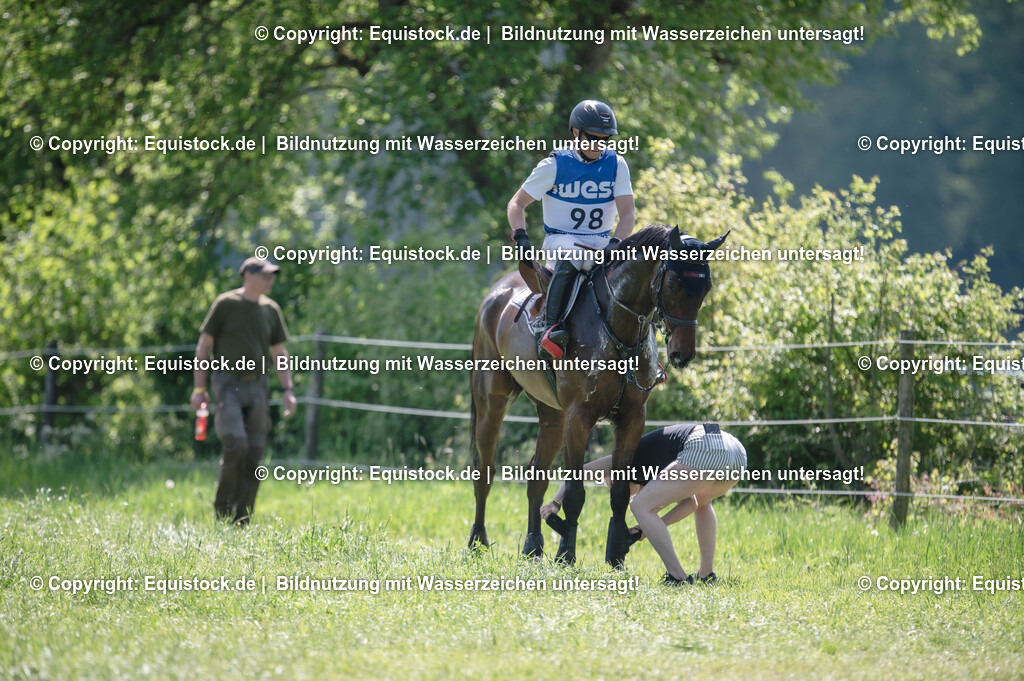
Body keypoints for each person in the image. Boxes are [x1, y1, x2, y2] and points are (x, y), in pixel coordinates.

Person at [507, 99, 636, 358]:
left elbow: (628, 214)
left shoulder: (617, 164)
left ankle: (645, 347)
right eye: (592, 138)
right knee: (575, 256)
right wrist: (520, 239)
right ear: (576, 133)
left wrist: (616, 243)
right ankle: (549, 323)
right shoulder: (553, 165)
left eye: (604, 139)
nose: (598, 145)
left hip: (601, 242)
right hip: (562, 242)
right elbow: (516, 204)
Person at [541, 423, 747, 585]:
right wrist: (643, 530)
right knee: (702, 502)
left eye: (612, 484)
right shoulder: (652, 473)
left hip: (704, 446)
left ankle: (677, 577)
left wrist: (556, 501)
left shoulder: (623, 460)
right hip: (735, 452)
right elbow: (690, 503)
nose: (616, 491)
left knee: (640, 506)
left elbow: (578, 472)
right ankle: (706, 574)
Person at [190, 257, 297, 525]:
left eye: (272, 276)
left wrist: (288, 389)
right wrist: (199, 388)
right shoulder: (225, 305)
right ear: (248, 275)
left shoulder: (271, 310)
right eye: (265, 275)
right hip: (228, 384)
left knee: (255, 452)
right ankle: (223, 512)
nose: (271, 280)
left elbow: (279, 352)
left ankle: (242, 519)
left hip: (259, 385)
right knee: (236, 443)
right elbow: (204, 346)